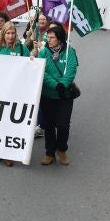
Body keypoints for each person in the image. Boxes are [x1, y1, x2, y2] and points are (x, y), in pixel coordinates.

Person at [0, 21, 33, 167]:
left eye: (13, 33)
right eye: (8, 33)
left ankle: (9, 153)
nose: (10, 36)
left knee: (10, 122)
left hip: (15, 91)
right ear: (3, 34)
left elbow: (29, 65)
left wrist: (33, 58)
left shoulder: (21, 47)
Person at [37, 23, 78, 165]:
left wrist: (63, 84)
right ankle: (49, 153)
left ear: (60, 38)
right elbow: (42, 71)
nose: (49, 39)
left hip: (64, 96)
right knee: (49, 125)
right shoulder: (43, 52)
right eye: (48, 37)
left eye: (52, 37)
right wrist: (55, 85)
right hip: (48, 95)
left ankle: (61, 149)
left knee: (63, 125)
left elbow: (71, 69)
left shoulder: (69, 52)